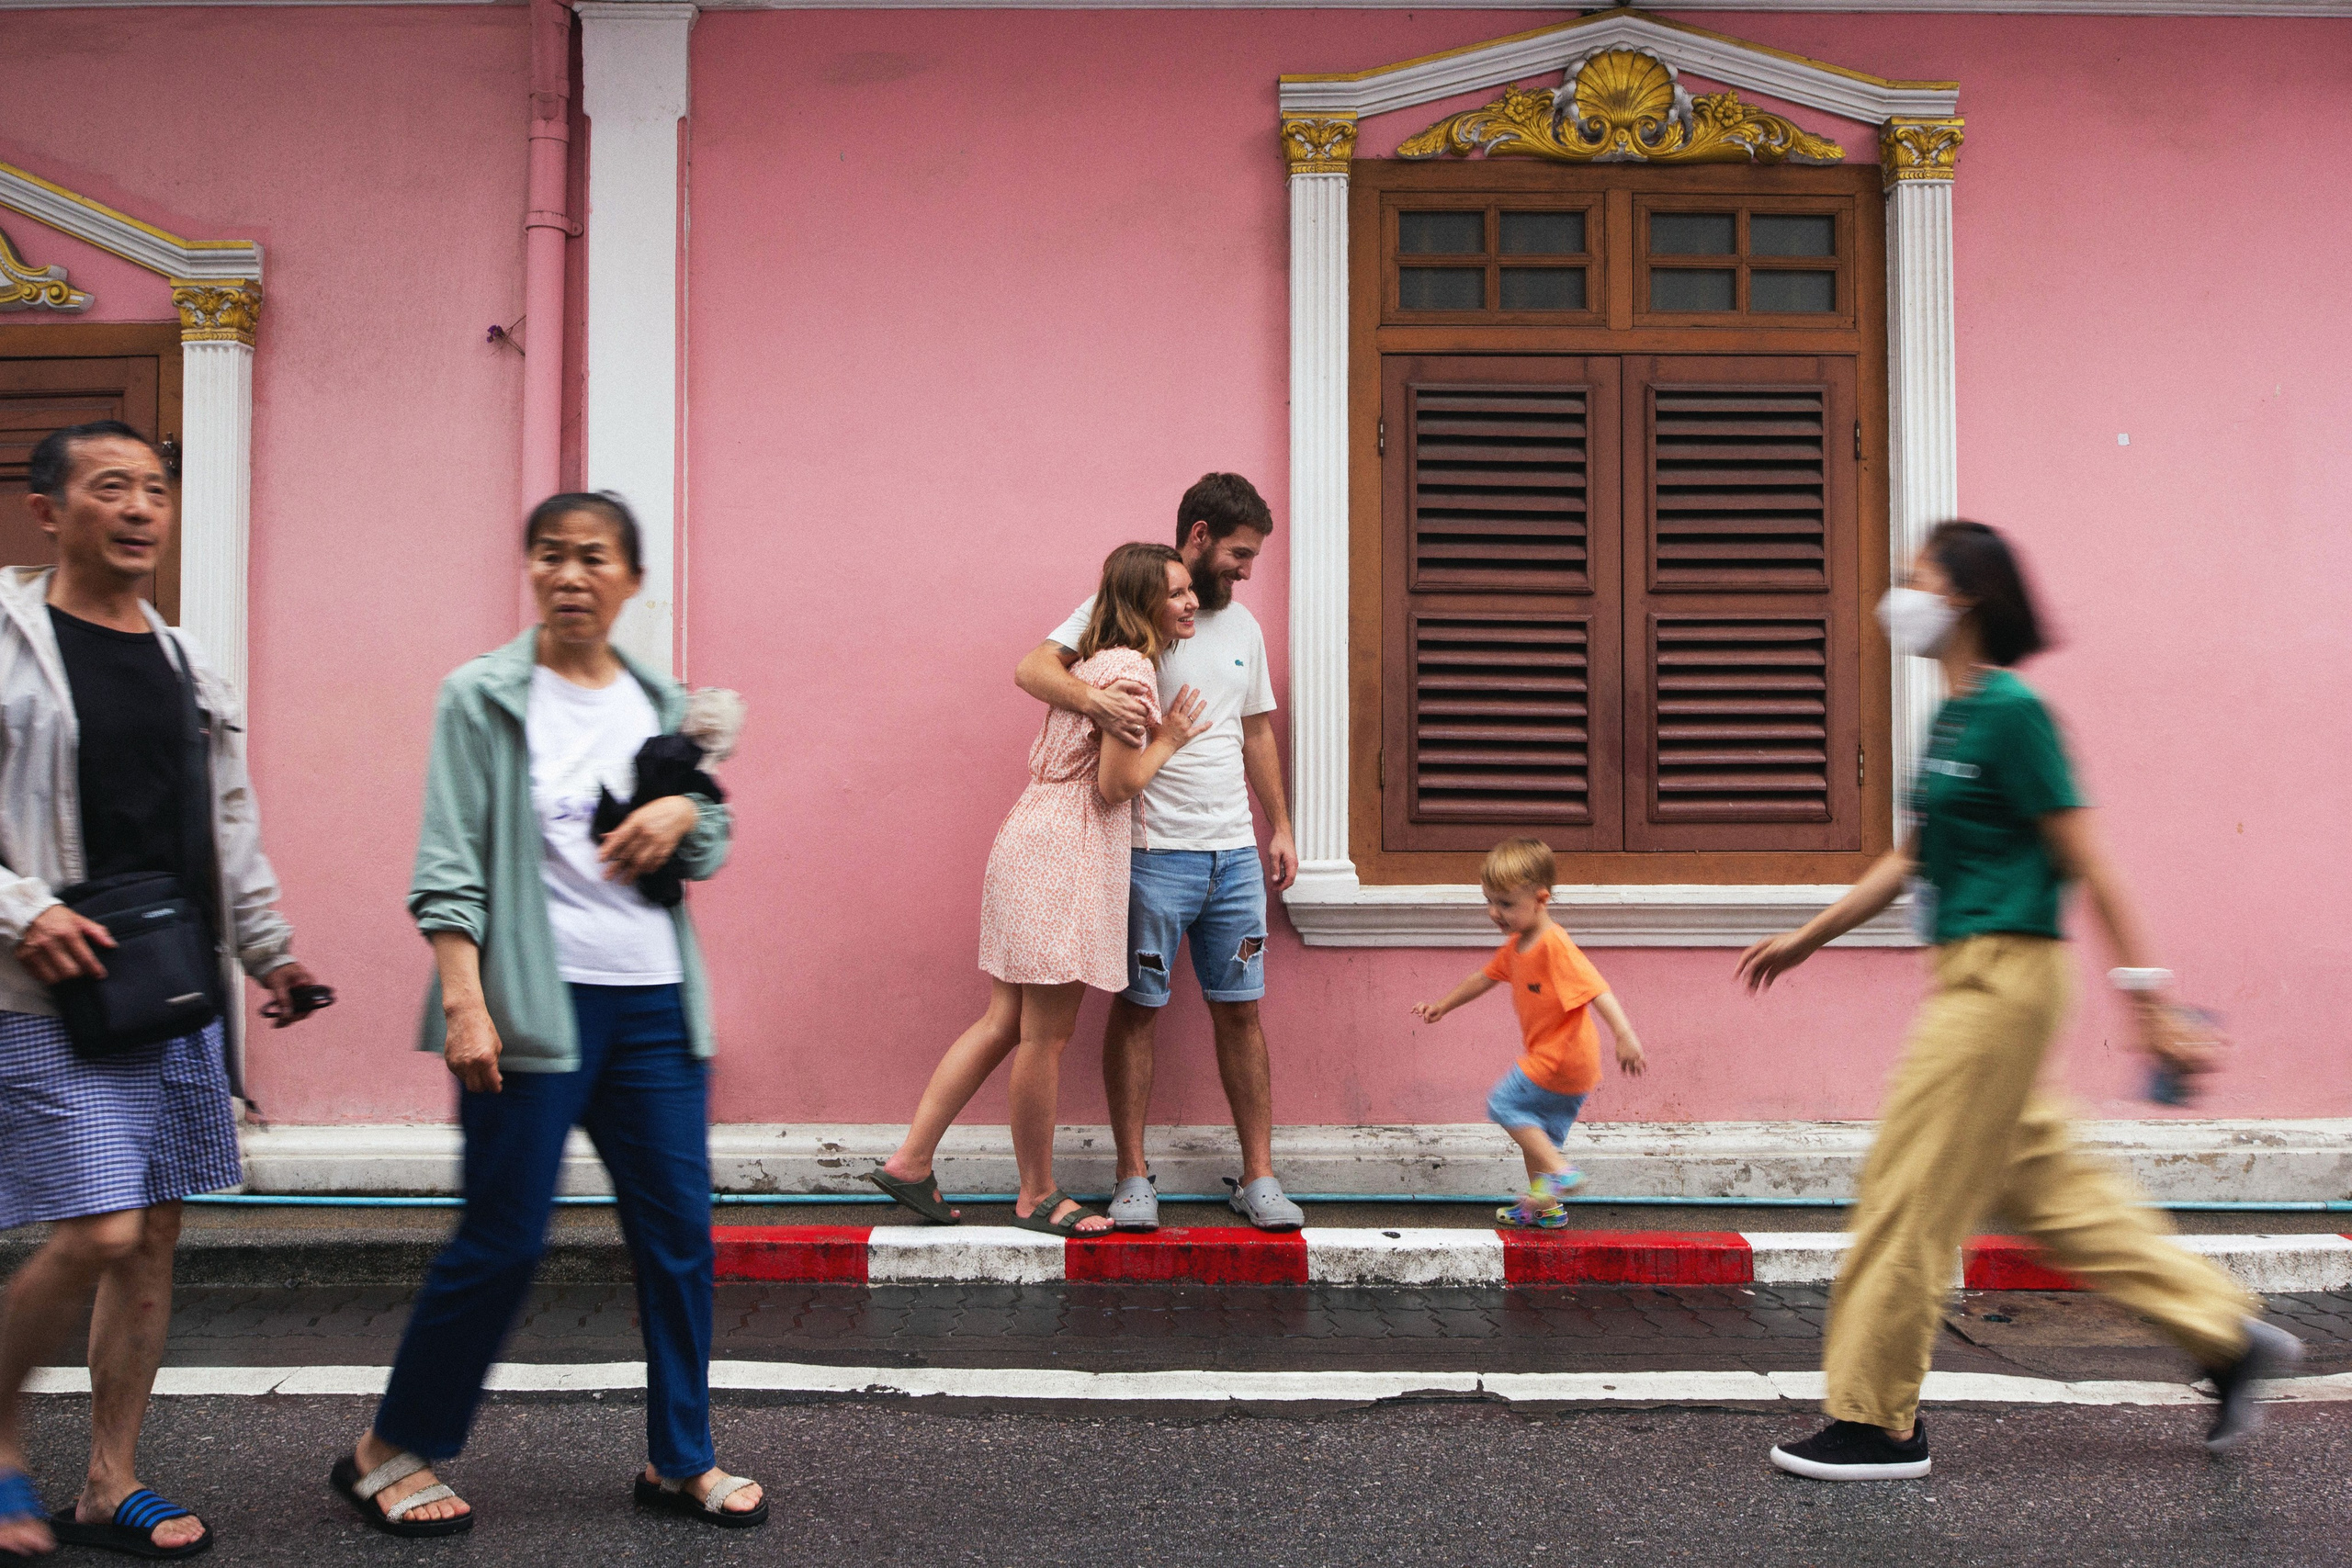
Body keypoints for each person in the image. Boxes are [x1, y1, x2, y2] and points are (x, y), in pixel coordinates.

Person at [1737, 519, 2300, 1482]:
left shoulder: (2013, 715)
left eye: (1914, 578)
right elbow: (1911, 857)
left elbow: (2088, 858)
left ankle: (1876, 1423)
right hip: (1967, 972)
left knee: (1905, 1186)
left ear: (1961, 600)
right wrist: (1807, 937)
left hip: (2004, 981)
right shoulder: (1952, 719)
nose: (1897, 596)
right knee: (2051, 1193)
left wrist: (2145, 998)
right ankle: (2226, 1338)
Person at [330, 493, 765, 1537]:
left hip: (655, 1005)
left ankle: (680, 1459)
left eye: (595, 558)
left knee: (680, 1239)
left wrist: (686, 807)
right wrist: (464, 1003)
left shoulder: (659, 695)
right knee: (504, 1239)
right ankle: (388, 1446)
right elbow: (448, 864)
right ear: (529, 568)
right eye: (553, 555)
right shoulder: (482, 696)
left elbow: (706, 844)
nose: (572, 574)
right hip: (531, 1005)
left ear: (630, 581)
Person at [0, 420, 326, 1560]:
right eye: (109, 487)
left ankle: (107, 1478)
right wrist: (21, 908)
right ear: (49, 511)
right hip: (44, 984)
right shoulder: (5, 640)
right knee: (98, 1225)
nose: (140, 508)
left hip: (169, 984)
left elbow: (225, 826)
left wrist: (270, 949)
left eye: (155, 489)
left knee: (149, 1240)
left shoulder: (190, 663)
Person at [871, 543, 1207, 1235]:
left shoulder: (1089, 663)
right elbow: (1116, 785)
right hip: (1069, 848)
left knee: (1005, 1022)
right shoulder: (1132, 669)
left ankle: (910, 1161)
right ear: (1145, 601)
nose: (1189, 600)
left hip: (1031, 832)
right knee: (1045, 1037)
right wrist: (1169, 738)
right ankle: (1038, 1193)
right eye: (1175, 592)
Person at [1015, 474, 1302, 1233]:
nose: (1245, 572)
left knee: (1242, 1011)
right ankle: (1133, 1176)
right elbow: (1035, 669)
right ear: (1199, 535)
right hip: (1151, 851)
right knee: (1138, 1009)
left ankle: (1260, 1176)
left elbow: (1258, 731)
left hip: (1233, 852)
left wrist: (1280, 825)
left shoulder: (1242, 627)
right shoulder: (1134, 605)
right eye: (1239, 554)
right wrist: (1097, 700)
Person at [1411, 839, 1648, 1228]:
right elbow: (1482, 979)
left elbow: (1597, 988)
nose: (1494, 913)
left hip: (1561, 1056)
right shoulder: (1516, 946)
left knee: (1504, 1104)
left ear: (1540, 899)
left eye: (1505, 904)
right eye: (1489, 901)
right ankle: (1547, 1206)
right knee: (1536, 1137)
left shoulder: (1554, 944)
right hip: (1574, 1068)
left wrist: (1625, 1035)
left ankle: (1559, 1171)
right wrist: (1443, 1005)